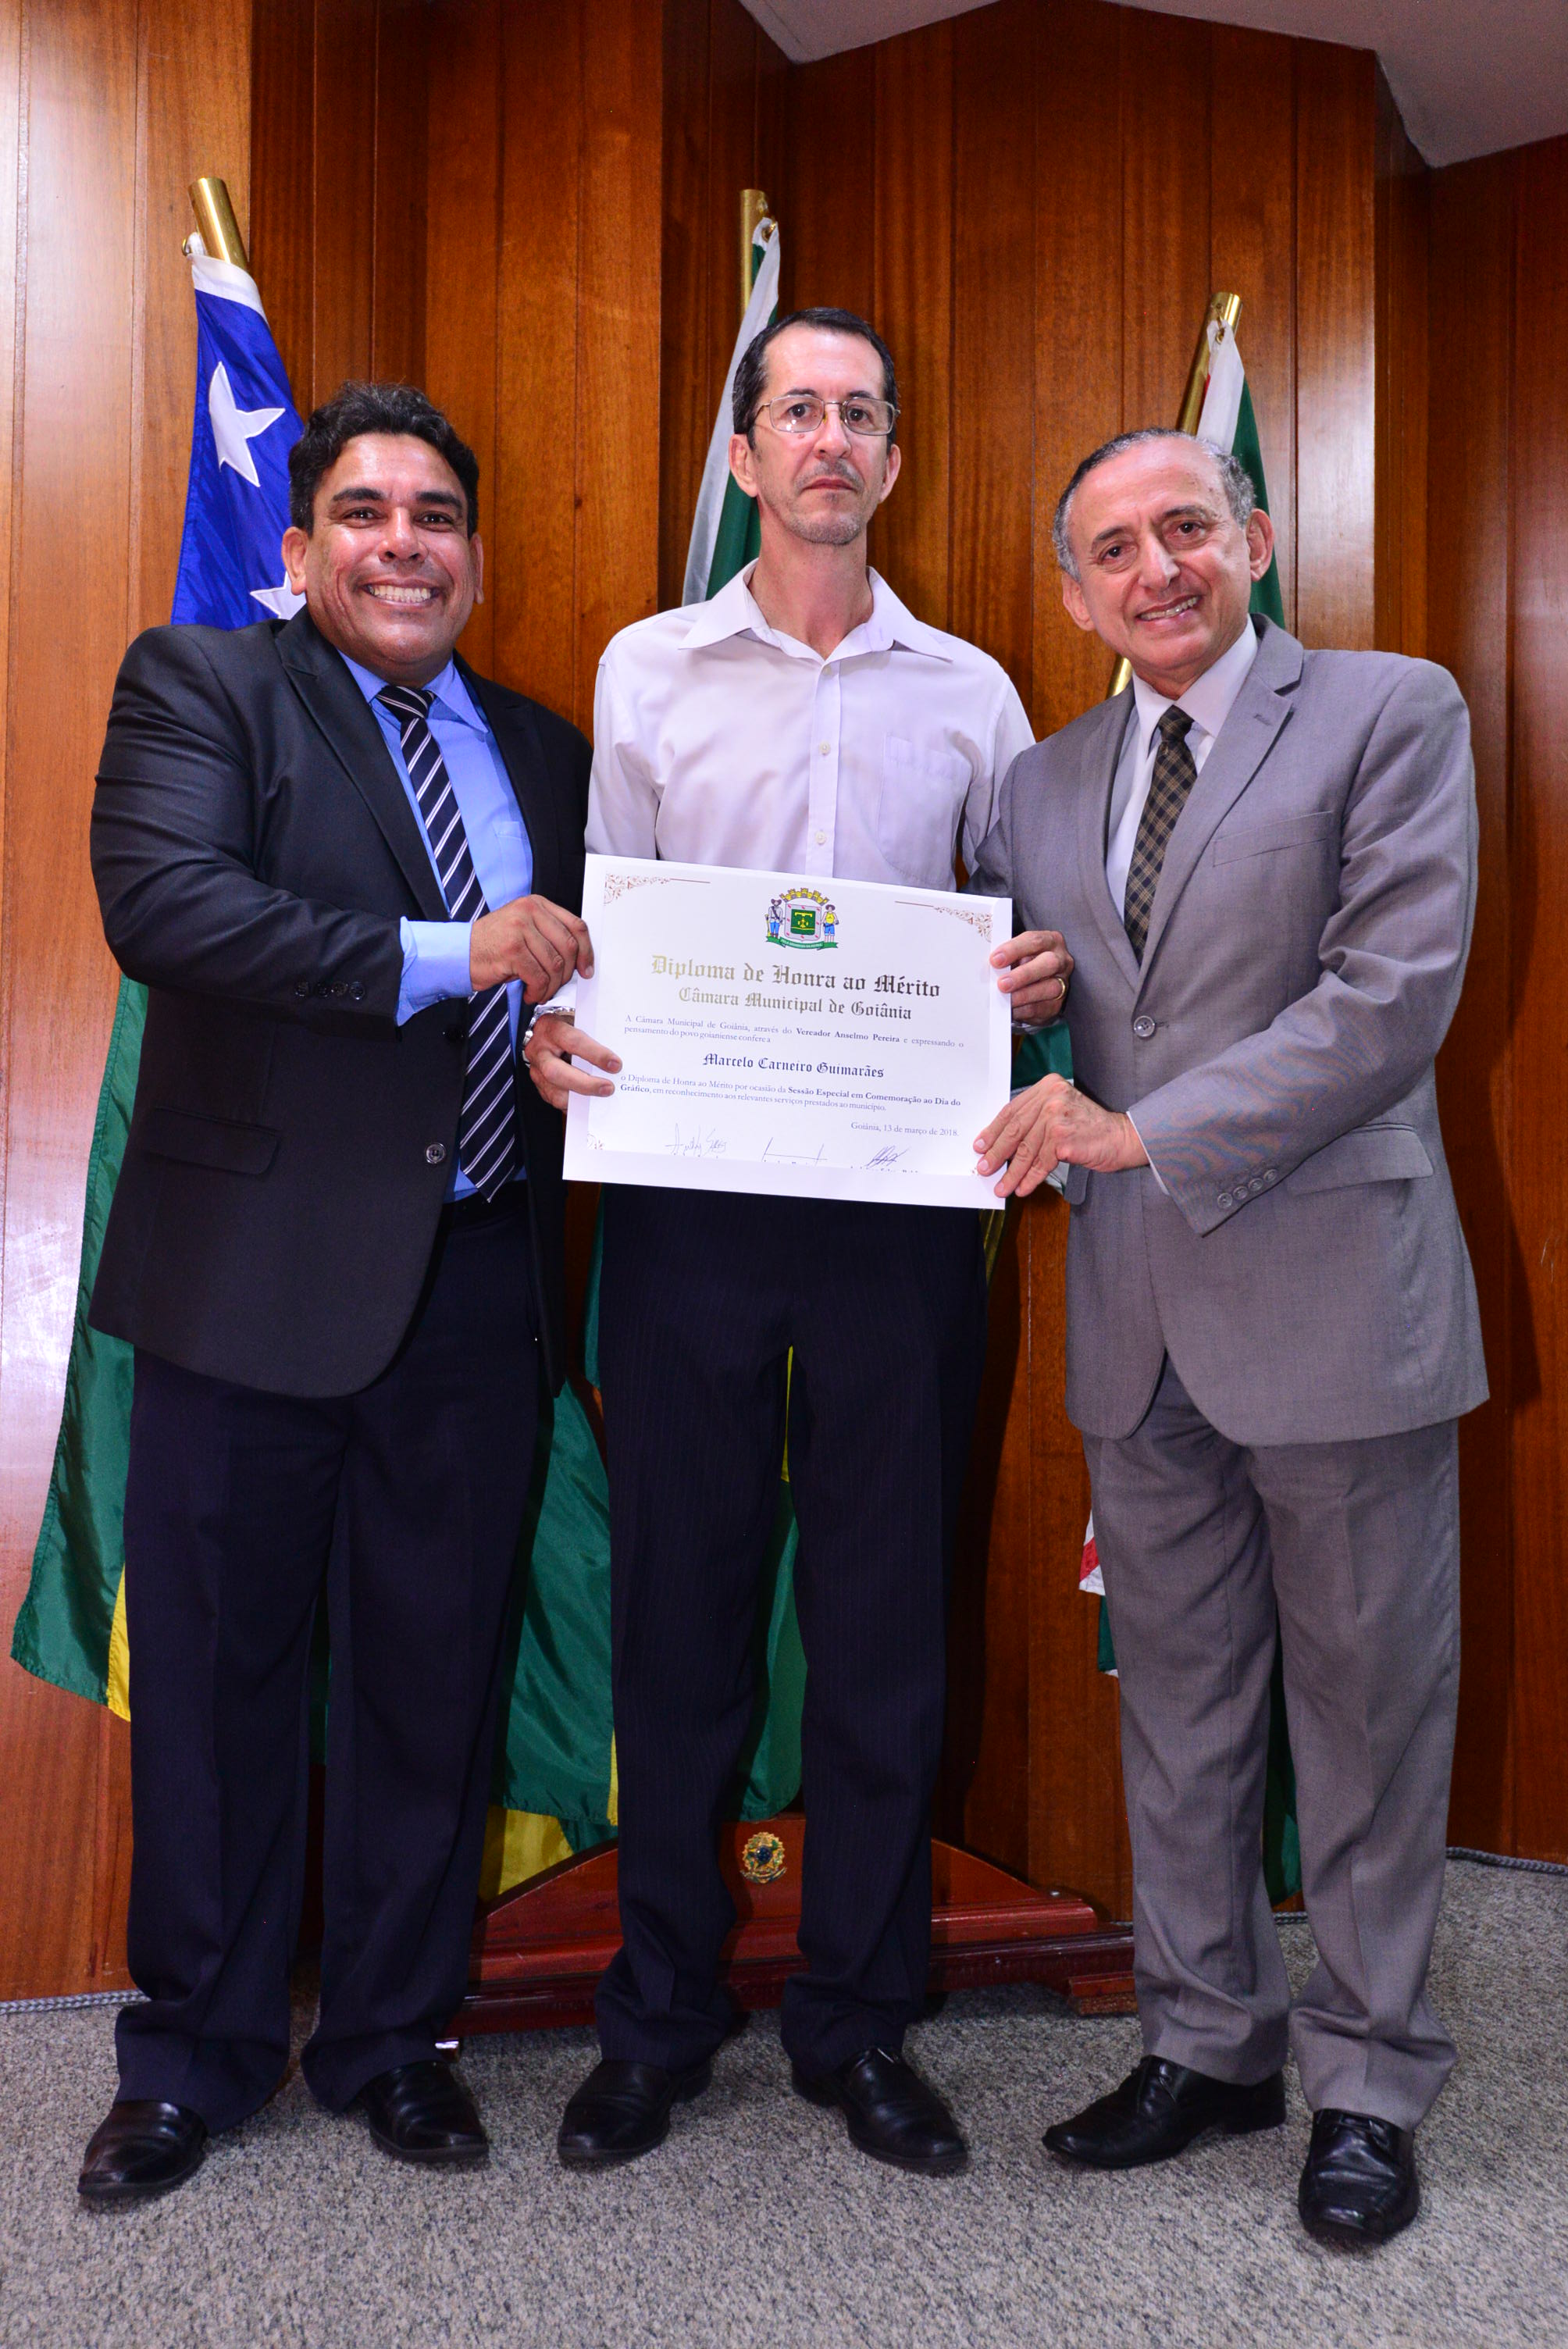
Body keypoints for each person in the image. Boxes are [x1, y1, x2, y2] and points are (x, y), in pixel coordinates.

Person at [526, 307, 1070, 2176]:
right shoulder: (648, 667)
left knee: (881, 1621)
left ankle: (858, 2018)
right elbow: (608, 919)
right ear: (746, 456)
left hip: (897, 1213)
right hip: (686, 1199)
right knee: (678, 1612)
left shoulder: (973, 693)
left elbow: (1022, 929)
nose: (828, 438)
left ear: (890, 460)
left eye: (859, 413)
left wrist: (1031, 979)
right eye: (796, 411)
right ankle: (658, 2012)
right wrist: (566, 1027)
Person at [77, 383, 593, 2203]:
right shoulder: (205, 687)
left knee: (430, 1685)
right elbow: (167, 907)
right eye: (363, 513)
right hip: (252, 1287)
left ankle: (392, 2037)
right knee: (219, 1683)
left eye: (435, 515)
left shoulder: (546, 752)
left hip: (478, 1280)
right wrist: (458, 956)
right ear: (298, 552)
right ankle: (192, 2059)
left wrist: (562, 1042)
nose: (402, 543)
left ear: (474, 556)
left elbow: (581, 985)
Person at [970, 426, 1485, 2246]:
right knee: (1179, 1712)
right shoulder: (1036, 781)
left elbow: (1389, 995)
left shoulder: (1385, 709)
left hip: (1335, 1301)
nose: (1154, 568)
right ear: (1071, 595)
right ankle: (1205, 2042)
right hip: (1133, 1315)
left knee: (1365, 1710)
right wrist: (1010, 1009)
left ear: (1251, 537)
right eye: (1110, 548)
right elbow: (1010, 1026)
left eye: (1183, 526)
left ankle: (1366, 2079)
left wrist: (1139, 1131)